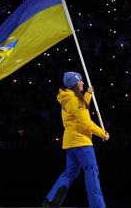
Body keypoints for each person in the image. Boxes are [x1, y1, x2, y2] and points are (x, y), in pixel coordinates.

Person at [43, 72, 109, 208]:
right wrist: (103, 133)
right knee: (91, 170)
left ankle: (51, 201)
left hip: (71, 141)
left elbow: (80, 109)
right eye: (80, 81)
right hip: (81, 141)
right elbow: (86, 123)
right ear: (74, 83)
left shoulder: (69, 98)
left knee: (70, 172)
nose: (83, 83)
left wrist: (88, 94)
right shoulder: (74, 100)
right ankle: (98, 205)